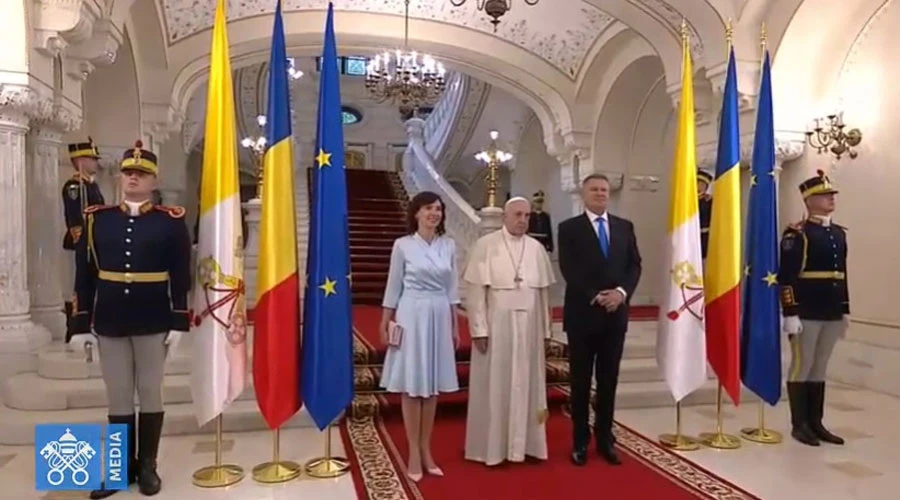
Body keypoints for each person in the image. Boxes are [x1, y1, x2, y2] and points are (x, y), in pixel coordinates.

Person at [69, 140, 192, 498]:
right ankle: (121, 468)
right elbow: (85, 274)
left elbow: (180, 275)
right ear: (121, 176)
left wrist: (179, 319)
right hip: (110, 319)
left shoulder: (170, 223)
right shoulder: (97, 219)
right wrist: (80, 323)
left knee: (151, 393)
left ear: (154, 181)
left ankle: (148, 466)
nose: (133, 178)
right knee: (119, 397)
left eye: (142, 174)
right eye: (128, 172)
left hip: (152, 317)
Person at [463, 197, 556, 466]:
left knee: (529, 384)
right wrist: (479, 329)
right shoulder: (485, 246)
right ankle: (490, 448)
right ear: (505, 216)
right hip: (497, 326)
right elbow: (475, 292)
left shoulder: (537, 249)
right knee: (495, 384)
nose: (523, 220)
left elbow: (543, 296)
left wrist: (546, 330)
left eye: (527, 215)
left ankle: (527, 446)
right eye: (517, 214)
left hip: (529, 329)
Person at [557, 173, 642, 466]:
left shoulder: (624, 227)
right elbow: (570, 269)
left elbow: (634, 265)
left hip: (615, 317)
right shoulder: (569, 228)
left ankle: (605, 438)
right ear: (584, 194)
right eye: (594, 189)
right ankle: (580, 440)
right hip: (582, 316)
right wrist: (596, 295)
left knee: (609, 381)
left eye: (604, 190)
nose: (600, 194)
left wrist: (620, 293)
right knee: (580, 383)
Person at [378, 191, 461, 481]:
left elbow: (452, 290)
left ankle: (427, 448)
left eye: (438, 209)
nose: (434, 213)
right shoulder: (402, 245)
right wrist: (385, 322)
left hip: (439, 313)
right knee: (413, 386)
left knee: (432, 386)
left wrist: (453, 326)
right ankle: (413, 449)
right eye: (428, 208)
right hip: (411, 313)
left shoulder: (448, 245)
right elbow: (393, 287)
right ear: (416, 213)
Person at [779, 169, 848, 447]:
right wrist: (790, 312)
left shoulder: (838, 234)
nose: (831, 198)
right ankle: (800, 424)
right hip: (806, 310)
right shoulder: (798, 234)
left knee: (819, 366)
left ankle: (816, 422)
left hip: (830, 310)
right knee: (802, 365)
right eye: (824, 195)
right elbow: (787, 276)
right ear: (809, 201)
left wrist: (844, 310)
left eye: (831, 195)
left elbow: (841, 274)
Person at [63, 138, 105, 342]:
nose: (95, 162)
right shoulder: (74, 186)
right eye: (91, 158)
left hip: (96, 243)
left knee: (93, 283)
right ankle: (77, 326)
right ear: (79, 160)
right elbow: (75, 220)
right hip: (82, 244)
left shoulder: (92, 185)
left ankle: (91, 322)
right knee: (80, 285)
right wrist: (83, 242)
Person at [697, 170, 713, 259]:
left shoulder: (709, 200)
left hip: (705, 233)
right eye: (698, 183)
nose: (699, 186)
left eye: (702, 184)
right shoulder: (690, 200)